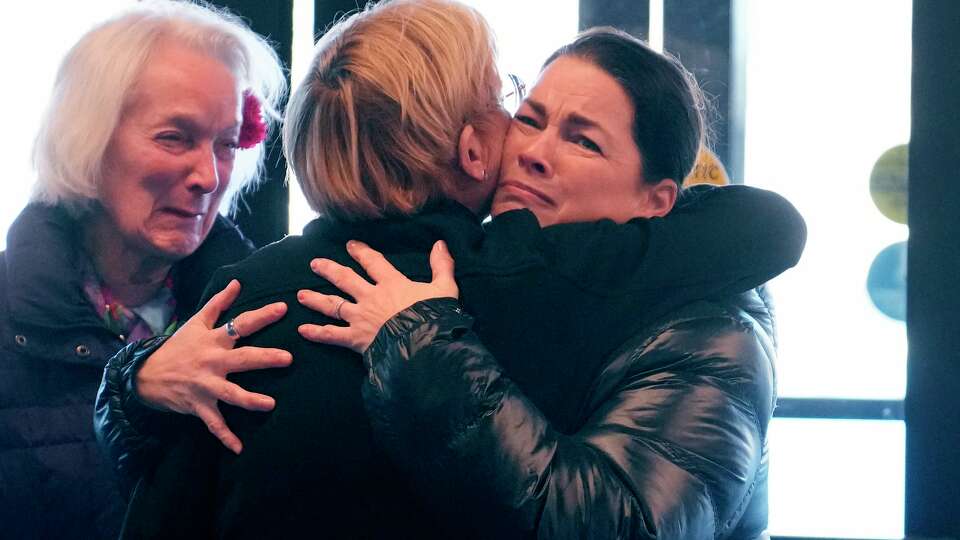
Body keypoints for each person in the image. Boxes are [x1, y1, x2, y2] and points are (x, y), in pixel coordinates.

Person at [97, 1, 803, 538]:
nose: (530, 150)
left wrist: (131, 391)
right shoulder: (525, 290)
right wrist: (134, 388)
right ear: (472, 152)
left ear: (659, 200)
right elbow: (761, 230)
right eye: (522, 113)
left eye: (581, 139)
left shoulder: (249, 295)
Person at [0, 2, 286, 538]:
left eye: (226, 144)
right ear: (88, 139)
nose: (208, 175)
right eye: (174, 138)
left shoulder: (265, 311)